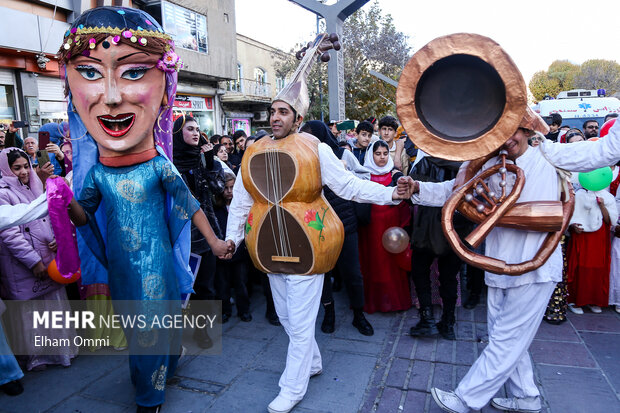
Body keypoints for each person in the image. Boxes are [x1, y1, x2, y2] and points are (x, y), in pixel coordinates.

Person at [57, 7, 230, 412]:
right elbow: (83, 216)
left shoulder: (158, 165)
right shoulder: (97, 174)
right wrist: (62, 203)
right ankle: (152, 381)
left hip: (158, 264)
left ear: (164, 89)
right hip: (121, 265)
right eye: (90, 72)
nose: (112, 97)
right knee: (140, 331)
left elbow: (188, 206)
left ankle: (150, 396)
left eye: (133, 72)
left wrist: (216, 241)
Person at [223, 47, 410, 412]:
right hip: (266, 245)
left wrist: (390, 192)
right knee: (290, 318)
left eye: (282, 112)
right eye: (272, 111)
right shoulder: (253, 151)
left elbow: (350, 186)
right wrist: (232, 238)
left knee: (302, 316)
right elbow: (242, 202)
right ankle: (312, 362)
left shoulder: (316, 147)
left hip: (310, 242)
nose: (275, 117)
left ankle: (291, 387)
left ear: (297, 117)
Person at [400, 111, 620, 413]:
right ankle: (526, 397)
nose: (507, 139)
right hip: (498, 266)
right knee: (506, 338)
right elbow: (454, 192)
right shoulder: (488, 164)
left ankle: (466, 399)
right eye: (499, 133)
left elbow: (605, 150)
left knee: (506, 339)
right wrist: (418, 189)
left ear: (526, 129)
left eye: (513, 131)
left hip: (536, 269)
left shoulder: (551, 154)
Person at [0, 148, 78, 371]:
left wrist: (55, 239)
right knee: (31, 311)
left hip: (48, 257)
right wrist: (33, 261)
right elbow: (9, 233)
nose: (23, 172)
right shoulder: (2, 192)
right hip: (23, 264)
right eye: (17, 168)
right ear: (6, 169)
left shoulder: (36, 184)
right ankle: (37, 358)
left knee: (52, 306)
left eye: (25, 166)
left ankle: (59, 352)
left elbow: (50, 214)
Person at [300, 120, 375, 336]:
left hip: (344, 221)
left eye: (311, 137)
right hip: (317, 224)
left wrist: (345, 175)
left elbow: (364, 176)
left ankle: (359, 315)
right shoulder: (304, 159)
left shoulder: (342, 155)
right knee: (323, 272)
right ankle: (329, 312)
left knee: (352, 272)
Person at [172, 115, 223, 346]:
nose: (195, 133)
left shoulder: (202, 161)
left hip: (206, 236)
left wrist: (211, 163)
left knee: (206, 287)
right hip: (181, 238)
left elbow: (219, 189)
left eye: (197, 129)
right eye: (189, 129)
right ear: (177, 134)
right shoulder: (169, 164)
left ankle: (201, 332)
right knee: (183, 289)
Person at [408, 155, 466, 340]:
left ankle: (427, 319)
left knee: (420, 271)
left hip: (427, 227)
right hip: (456, 226)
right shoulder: (466, 163)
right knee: (449, 276)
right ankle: (448, 322)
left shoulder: (424, 161)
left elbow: (411, 197)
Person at [358, 140, 412, 314]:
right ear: (371, 155)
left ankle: (393, 301)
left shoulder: (395, 175)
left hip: (392, 228)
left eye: (385, 153)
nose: (382, 158)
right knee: (374, 262)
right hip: (371, 228)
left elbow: (404, 201)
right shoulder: (364, 175)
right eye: (378, 154)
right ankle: (375, 302)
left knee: (391, 264)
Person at [566, 182, 617, 314]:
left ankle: (594, 300)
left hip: (599, 237)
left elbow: (609, 221)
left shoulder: (608, 197)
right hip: (582, 235)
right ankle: (575, 301)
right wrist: (573, 226)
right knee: (579, 267)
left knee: (598, 268)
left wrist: (602, 205)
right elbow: (571, 216)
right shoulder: (579, 195)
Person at [214, 172, 251, 322]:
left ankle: (244, 310)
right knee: (222, 284)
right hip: (221, 253)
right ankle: (224, 311)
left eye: (232, 188)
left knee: (241, 283)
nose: (229, 192)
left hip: (239, 253)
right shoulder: (216, 209)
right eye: (226, 188)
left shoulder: (243, 206)